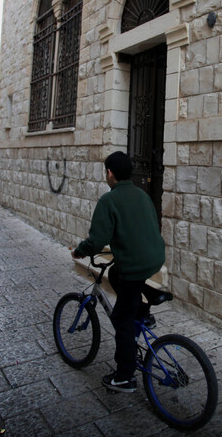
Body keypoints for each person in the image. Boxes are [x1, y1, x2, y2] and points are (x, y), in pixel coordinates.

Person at [71, 151, 165, 393]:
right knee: (115, 275)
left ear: (110, 173)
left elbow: (96, 240)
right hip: (153, 259)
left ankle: (124, 376)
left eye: (106, 171)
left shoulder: (109, 200)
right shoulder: (142, 195)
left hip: (134, 265)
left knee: (121, 320)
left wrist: (80, 251)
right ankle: (143, 313)